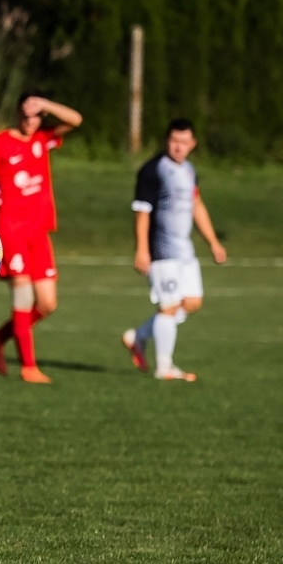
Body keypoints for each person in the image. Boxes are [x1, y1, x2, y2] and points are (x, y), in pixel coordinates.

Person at [0, 91, 84, 384]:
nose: (30, 121)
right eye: (25, 114)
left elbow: (76, 120)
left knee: (47, 304)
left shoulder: (42, 140)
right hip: (10, 231)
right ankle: (28, 366)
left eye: (36, 115)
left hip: (39, 232)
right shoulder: (0, 143)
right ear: (17, 113)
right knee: (23, 298)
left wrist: (46, 103)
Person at [122, 120, 227, 381]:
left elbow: (197, 205)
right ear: (166, 141)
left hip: (184, 249)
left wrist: (213, 242)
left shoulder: (189, 170)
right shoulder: (153, 170)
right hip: (160, 248)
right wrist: (142, 250)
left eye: (183, 142)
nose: (178, 147)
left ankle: (139, 337)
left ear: (192, 144)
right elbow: (142, 213)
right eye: (173, 141)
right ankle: (164, 367)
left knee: (192, 302)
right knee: (169, 307)